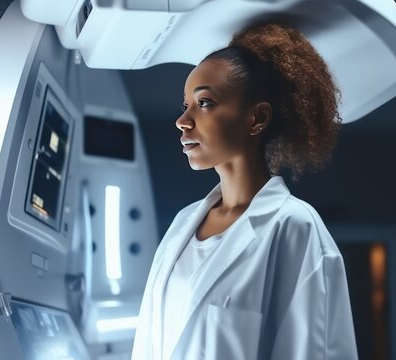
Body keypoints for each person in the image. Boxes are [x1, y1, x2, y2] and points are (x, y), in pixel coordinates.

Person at [131, 21, 358, 360]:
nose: (183, 120)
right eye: (185, 106)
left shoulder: (294, 227)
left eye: (204, 102)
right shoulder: (182, 225)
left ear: (257, 119)